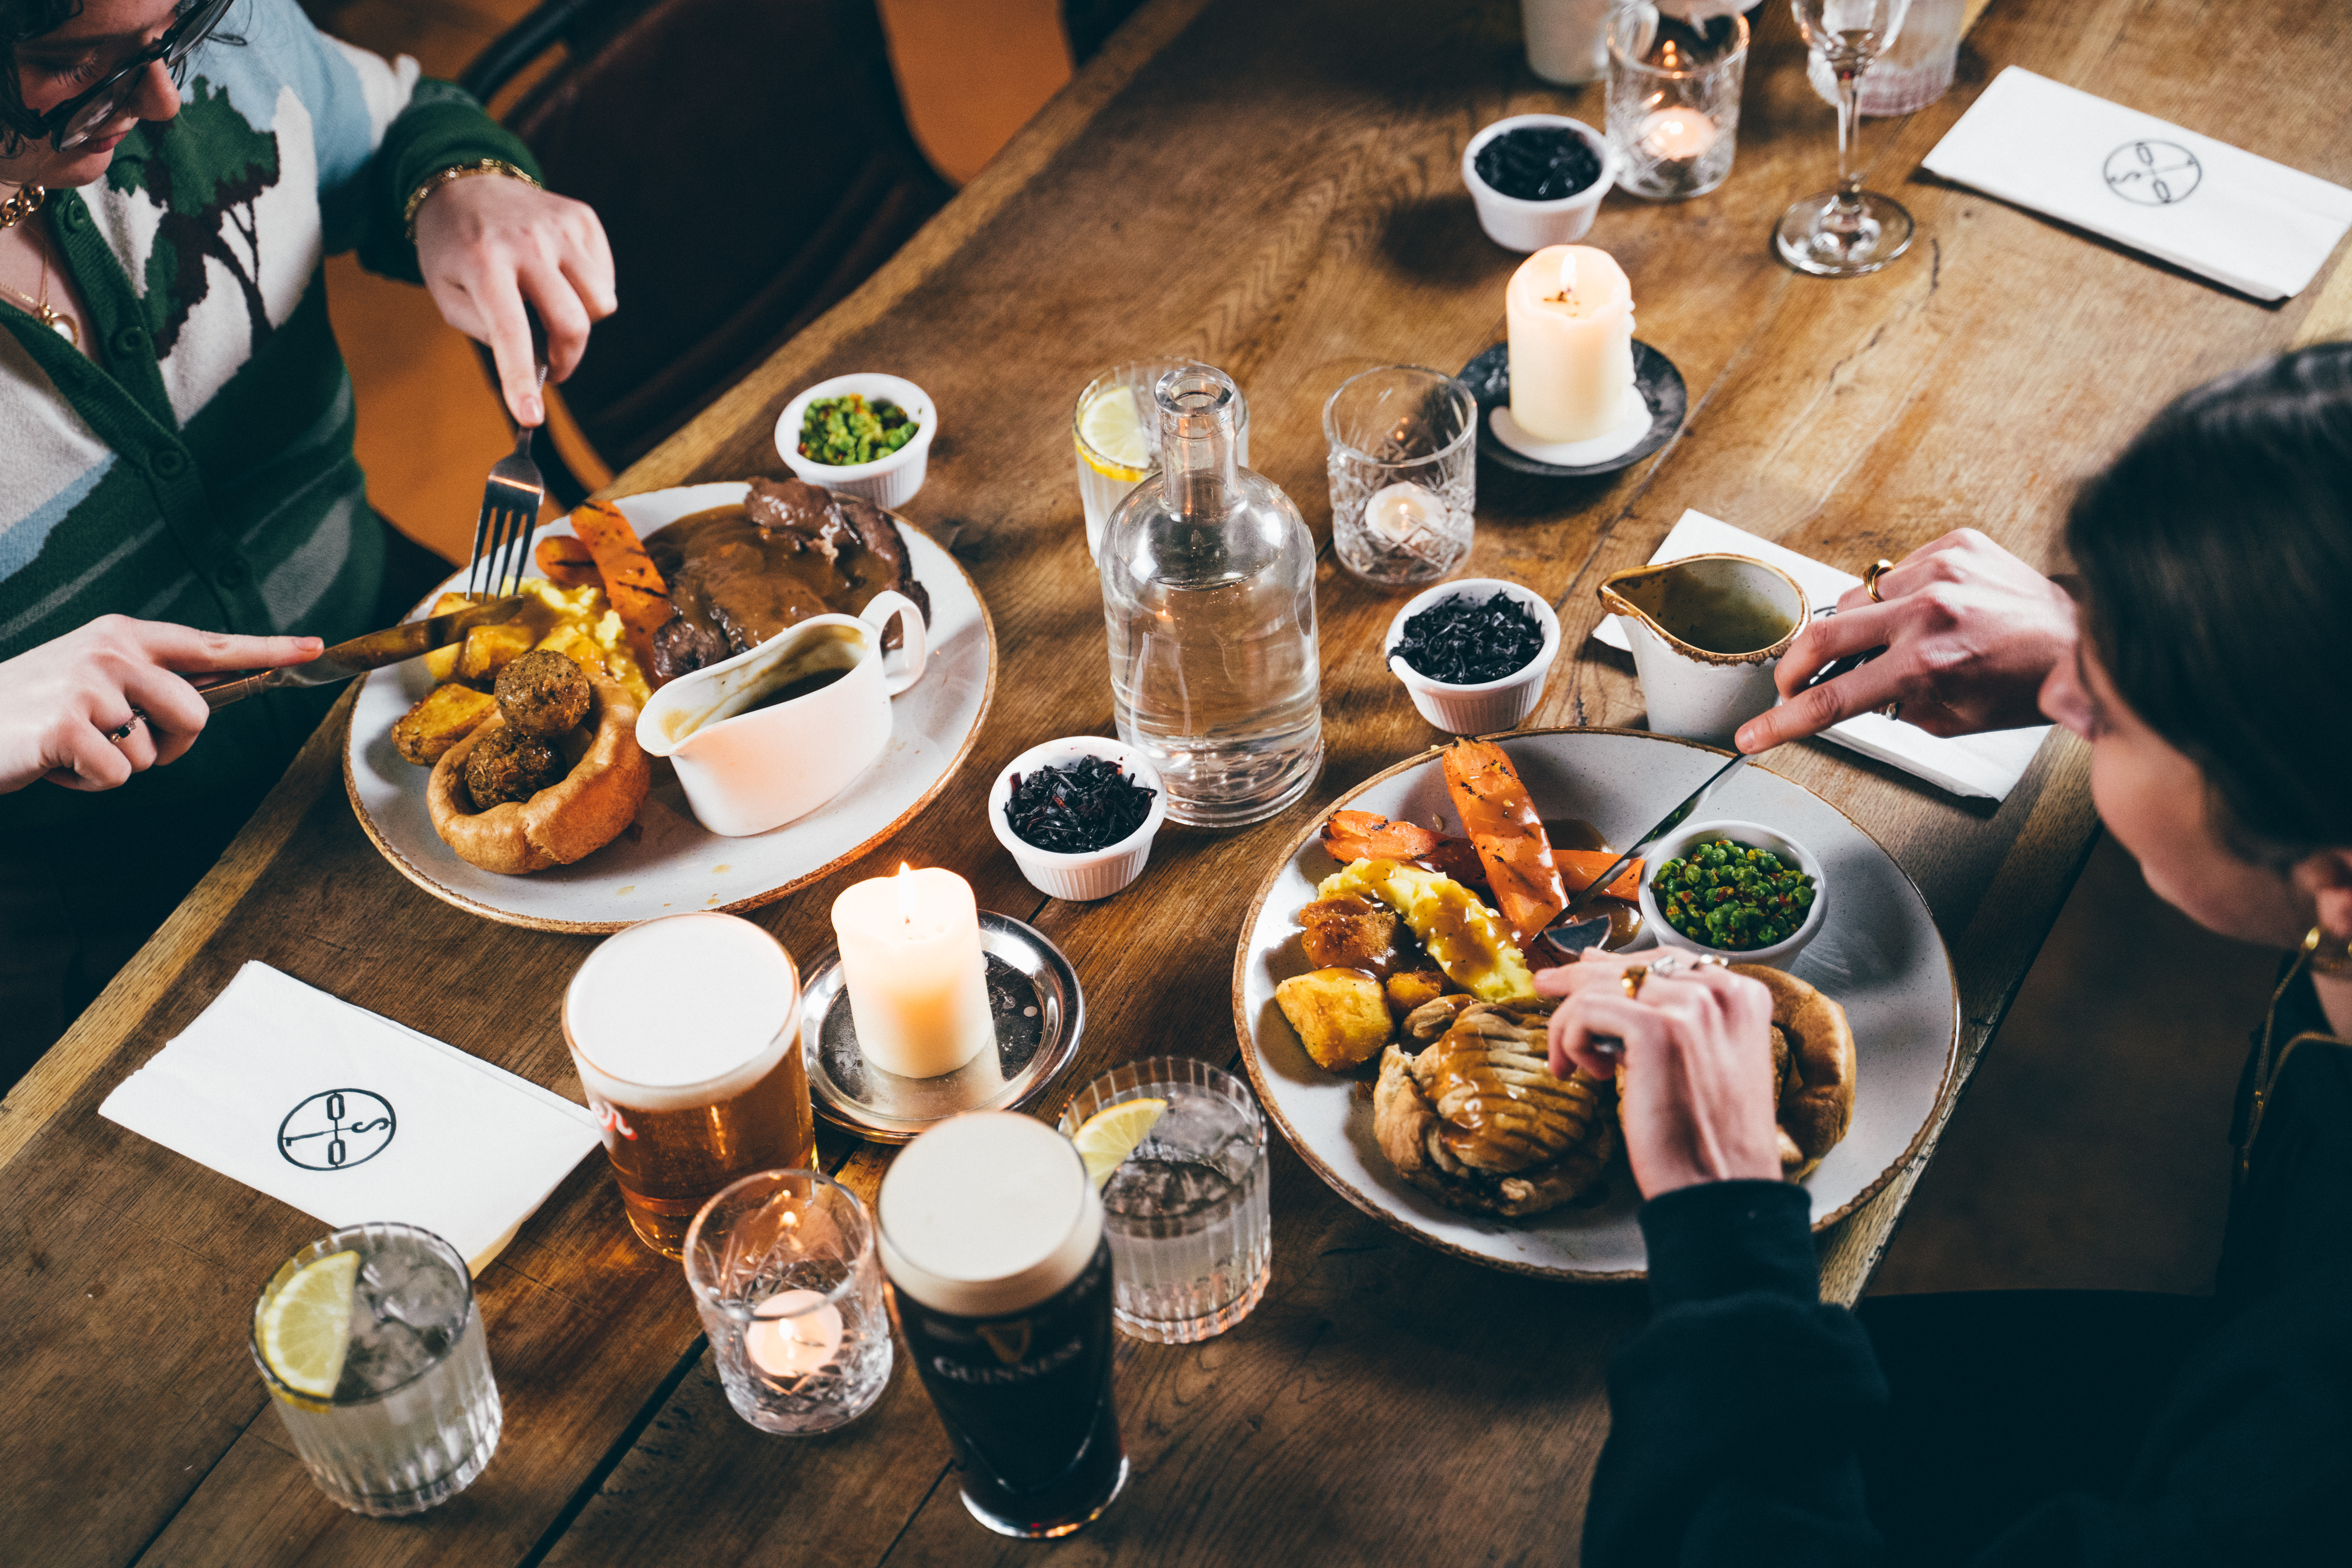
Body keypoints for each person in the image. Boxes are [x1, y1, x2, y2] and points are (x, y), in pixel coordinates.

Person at [1561, 342, 2352, 1564]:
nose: (2070, 697)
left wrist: (1727, 1233)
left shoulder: (2295, 1472)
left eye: (2112, 707)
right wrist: (2118, 637)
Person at [0, 0, 614, 1086]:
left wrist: (459, 185)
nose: (161, 102)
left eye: (177, 30)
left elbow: (400, 128)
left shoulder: (194, 51)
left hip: (402, 708)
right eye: (67, 60)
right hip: (117, 945)